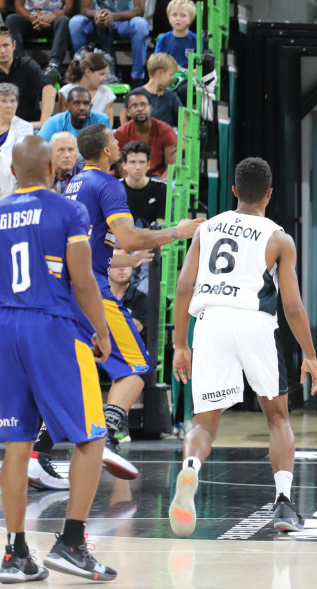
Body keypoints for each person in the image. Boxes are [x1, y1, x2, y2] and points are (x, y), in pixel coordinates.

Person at [169, 156, 317, 536]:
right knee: (278, 417)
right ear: (270, 194)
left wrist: (179, 344)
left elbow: (184, 288)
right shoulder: (278, 238)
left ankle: (190, 470)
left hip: (211, 322)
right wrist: (310, 353)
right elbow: (292, 305)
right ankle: (284, 504)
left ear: (234, 191)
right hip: (255, 322)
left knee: (205, 421)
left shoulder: (206, 229)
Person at [0, 136, 117, 582]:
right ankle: (71, 542)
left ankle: (15, 554)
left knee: (16, 444)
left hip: (5, 327)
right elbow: (84, 281)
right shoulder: (68, 210)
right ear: (53, 167)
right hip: (51, 327)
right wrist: (101, 332)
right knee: (91, 434)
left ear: (13, 172)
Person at [62, 123, 202, 452]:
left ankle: (39, 455)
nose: (118, 141)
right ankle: (105, 441)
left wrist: (123, 259)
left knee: (73, 374)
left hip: (69, 289)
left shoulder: (73, 183)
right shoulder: (108, 184)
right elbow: (130, 235)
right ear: (107, 151)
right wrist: (177, 232)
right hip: (94, 292)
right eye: (114, 140)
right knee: (137, 368)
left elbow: (89, 246)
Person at [70, 0, 149, 85]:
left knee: (141, 24)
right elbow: (84, 8)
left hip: (125, 21)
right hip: (99, 19)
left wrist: (114, 16)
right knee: (75, 22)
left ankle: (137, 77)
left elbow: (139, 10)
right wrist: (97, 14)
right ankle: (82, 72)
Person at [5, 0, 79, 80]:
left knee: (64, 20)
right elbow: (18, 6)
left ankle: (53, 66)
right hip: (31, 19)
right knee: (12, 20)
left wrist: (52, 16)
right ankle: (20, 65)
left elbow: (69, 7)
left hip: (55, 21)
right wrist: (32, 18)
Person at [0, 25, 55, 130]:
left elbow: (49, 88)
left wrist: (43, 123)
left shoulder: (27, 65)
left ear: (13, 45)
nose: (2, 50)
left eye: (5, 45)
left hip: (31, 127)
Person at [115, 89, 176, 177]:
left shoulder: (166, 130)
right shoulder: (121, 132)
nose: (140, 109)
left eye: (143, 105)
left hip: (158, 179)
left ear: (150, 108)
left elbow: (172, 167)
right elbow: (122, 168)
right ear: (128, 112)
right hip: (132, 179)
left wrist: (159, 187)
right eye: (134, 106)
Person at [0, 82, 39, 198]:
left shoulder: (24, 127)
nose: (9, 105)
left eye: (12, 101)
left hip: (10, 186)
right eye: (3, 101)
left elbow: (20, 158)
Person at [58, 53, 116, 124]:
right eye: (101, 74)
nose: (105, 78)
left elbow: (108, 125)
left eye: (105, 74)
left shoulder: (107, 93)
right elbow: (62, 122)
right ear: (87, 72)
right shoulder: (66, 91)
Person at [38, 86, 111, 142]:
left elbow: (108, 150)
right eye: (76, 103)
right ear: (68, 106)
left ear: (91, 106)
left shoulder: (101, 120)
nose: (82, 108)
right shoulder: (54, 122)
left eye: (86, 104)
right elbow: (39, 148)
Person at [129, 52, 182, 128]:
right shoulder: (136, 94)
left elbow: (184, 120)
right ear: (159, 72)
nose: (173, 78)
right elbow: (125, 116)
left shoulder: (171, 95)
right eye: (171, 75)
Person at [120, 140, 165, 226]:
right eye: (132, 162)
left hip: (152, 237)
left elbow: (160, 227)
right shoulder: (114, 188)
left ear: (149, 164)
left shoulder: (161, 188)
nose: (138, 167)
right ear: (124, 165)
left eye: (142, 162)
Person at [108, 256, 148, 339]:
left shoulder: (142, 298)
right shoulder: (97, 296)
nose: (122, 268)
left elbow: (127, 331)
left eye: (127, 263)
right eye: (118, 263)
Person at [154, 0, 197, 68]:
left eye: (183, 15)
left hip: (189, 78)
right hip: (167, 77)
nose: (178, 18)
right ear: (169, 18)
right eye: (174, 15)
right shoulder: (163, 39)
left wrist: (182, 71)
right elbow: (156, 65)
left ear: (191, 19)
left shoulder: (196, 40)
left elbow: (200, 70)